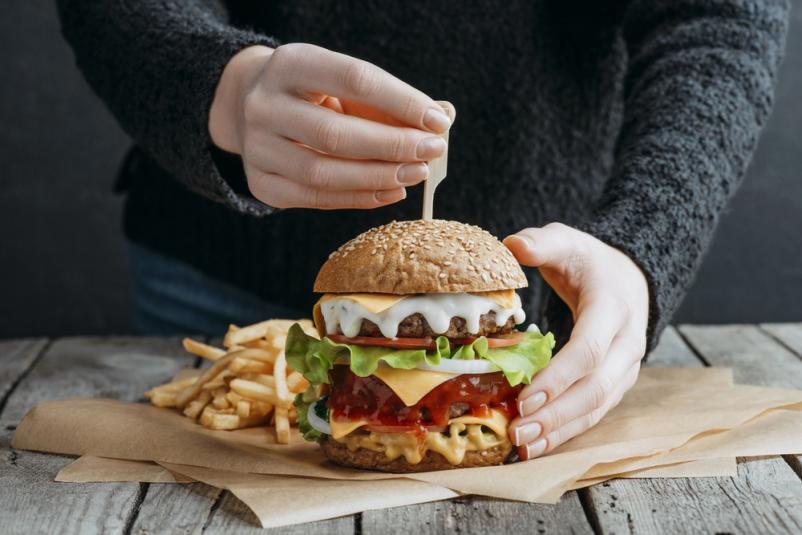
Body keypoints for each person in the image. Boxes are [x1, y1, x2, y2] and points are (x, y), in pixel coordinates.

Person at [57, 1, 789, 460]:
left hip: (545, 287)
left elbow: (719, 16)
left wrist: (643, 243)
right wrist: (213, 80)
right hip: (204, 255)